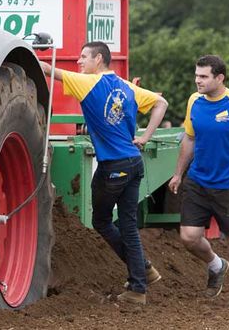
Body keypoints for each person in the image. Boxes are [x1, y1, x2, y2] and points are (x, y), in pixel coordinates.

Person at [55, 42, 169, 305]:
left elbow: (49, 69)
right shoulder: (128, 87)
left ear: (98, 59)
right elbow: (161, 103)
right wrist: (145, 137)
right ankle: (139, 285)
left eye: (83, 57)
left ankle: (142, 273)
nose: (78, 62)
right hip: (133, 162)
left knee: (102, 221)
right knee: (128, 225)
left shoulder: (88, 83)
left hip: (113, 166)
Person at [168, 55, 229, 309]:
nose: (197, 80)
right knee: (188, 237)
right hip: (197, 181)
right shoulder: (194, 101)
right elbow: (189, 139)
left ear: (219, 78)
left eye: (203, 76)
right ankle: (215, 264)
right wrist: (178, 173)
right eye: (196, 75)